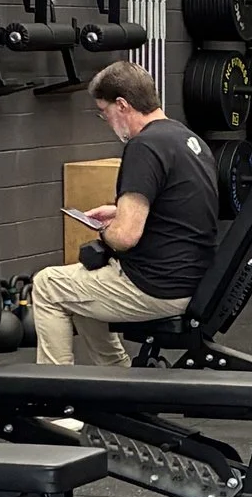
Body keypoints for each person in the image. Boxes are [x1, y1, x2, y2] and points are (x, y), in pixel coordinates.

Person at [29, 61, 220, 368]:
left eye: (104, 112)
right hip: (195, 280)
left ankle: (53, 400)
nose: (105, 120)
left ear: (122, 104)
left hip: (157, 287)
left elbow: (125, 237)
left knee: (48, 284)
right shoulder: (189, 140)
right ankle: (120, 379)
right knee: (80, 284)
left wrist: (105, 229)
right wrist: (119, 211)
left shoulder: (144, 146)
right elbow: (182, 207)